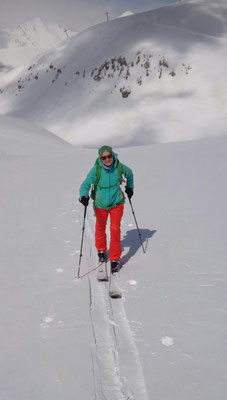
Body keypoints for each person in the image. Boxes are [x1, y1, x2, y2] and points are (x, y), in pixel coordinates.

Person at [79, 145, 134, 273]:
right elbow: (86, 184)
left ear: (113, 155)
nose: (107, 159)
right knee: (100, 227)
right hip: (100, 204)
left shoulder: (119, 167)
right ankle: (101, 250)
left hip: (117, 202)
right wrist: (84, 195)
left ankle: (115, 258)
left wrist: (130, 187)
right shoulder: (96, 170)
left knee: (115, 229)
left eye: (109, 156)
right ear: (100, 158)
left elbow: (130, 174)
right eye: (103, 157)